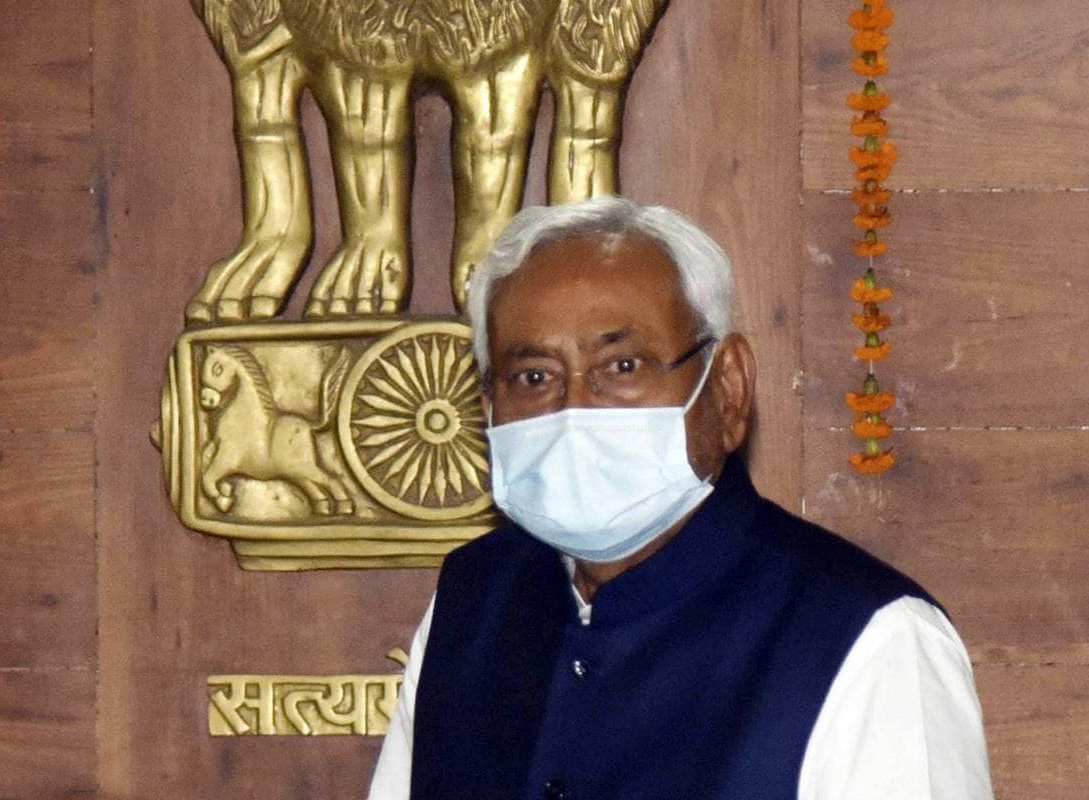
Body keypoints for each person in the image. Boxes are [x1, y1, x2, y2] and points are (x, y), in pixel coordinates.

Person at [367, 196, 993, 800]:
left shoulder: (869, 638)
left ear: (728, 388)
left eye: (623, 367)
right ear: (487, 408)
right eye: (534, 377)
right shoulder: (473, 603)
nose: (574, 410)